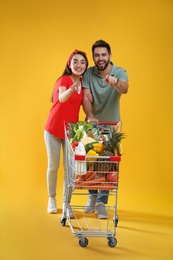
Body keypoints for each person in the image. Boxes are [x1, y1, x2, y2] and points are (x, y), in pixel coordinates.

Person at [82, 40, 128, 219]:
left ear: (109, 55)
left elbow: (125, 89)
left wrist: (116, 83)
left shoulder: (119, 72)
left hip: (111, 126)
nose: (100, 58)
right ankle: (92, 197)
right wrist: (90, 115)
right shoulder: (89, 73)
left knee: (108, 165)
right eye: (96, 55)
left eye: (103, 55)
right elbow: (86, 96)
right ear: (93, 57)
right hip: (93, 125)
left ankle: (102, 202)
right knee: (92, 161)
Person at [44, 49, 88, 216]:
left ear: (86, 66)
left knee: (70, 169)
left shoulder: (84, 84)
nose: (78, 65)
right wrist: (72, 89)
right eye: (75, 61)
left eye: (82, 62)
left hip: (70, 131)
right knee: (53, 166)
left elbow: (84, 103)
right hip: (53, 129)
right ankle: (52, 199)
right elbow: (62, 98)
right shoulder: (63, 80)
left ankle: (66, 203)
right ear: (69, 64)